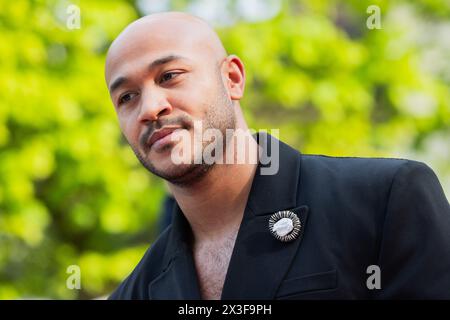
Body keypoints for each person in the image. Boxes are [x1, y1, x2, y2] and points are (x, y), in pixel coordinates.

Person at [104, 12, 450, 299]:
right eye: (127, 98)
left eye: (170, 76)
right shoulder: (137, 291)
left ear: (232, 78)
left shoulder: (386, 201)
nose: (150, 108)